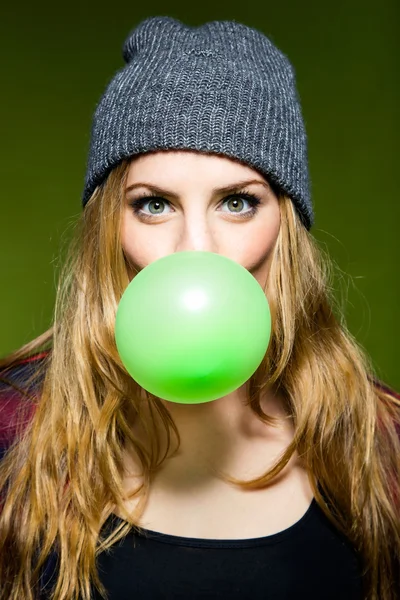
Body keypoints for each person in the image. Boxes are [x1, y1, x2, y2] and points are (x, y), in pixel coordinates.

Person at [0, 15, 399, 600]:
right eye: (154, 205)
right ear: (109, 228)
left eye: (237, 202)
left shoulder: (379, 443)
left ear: (285, 228)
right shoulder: (11, 435)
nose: (195, 249)